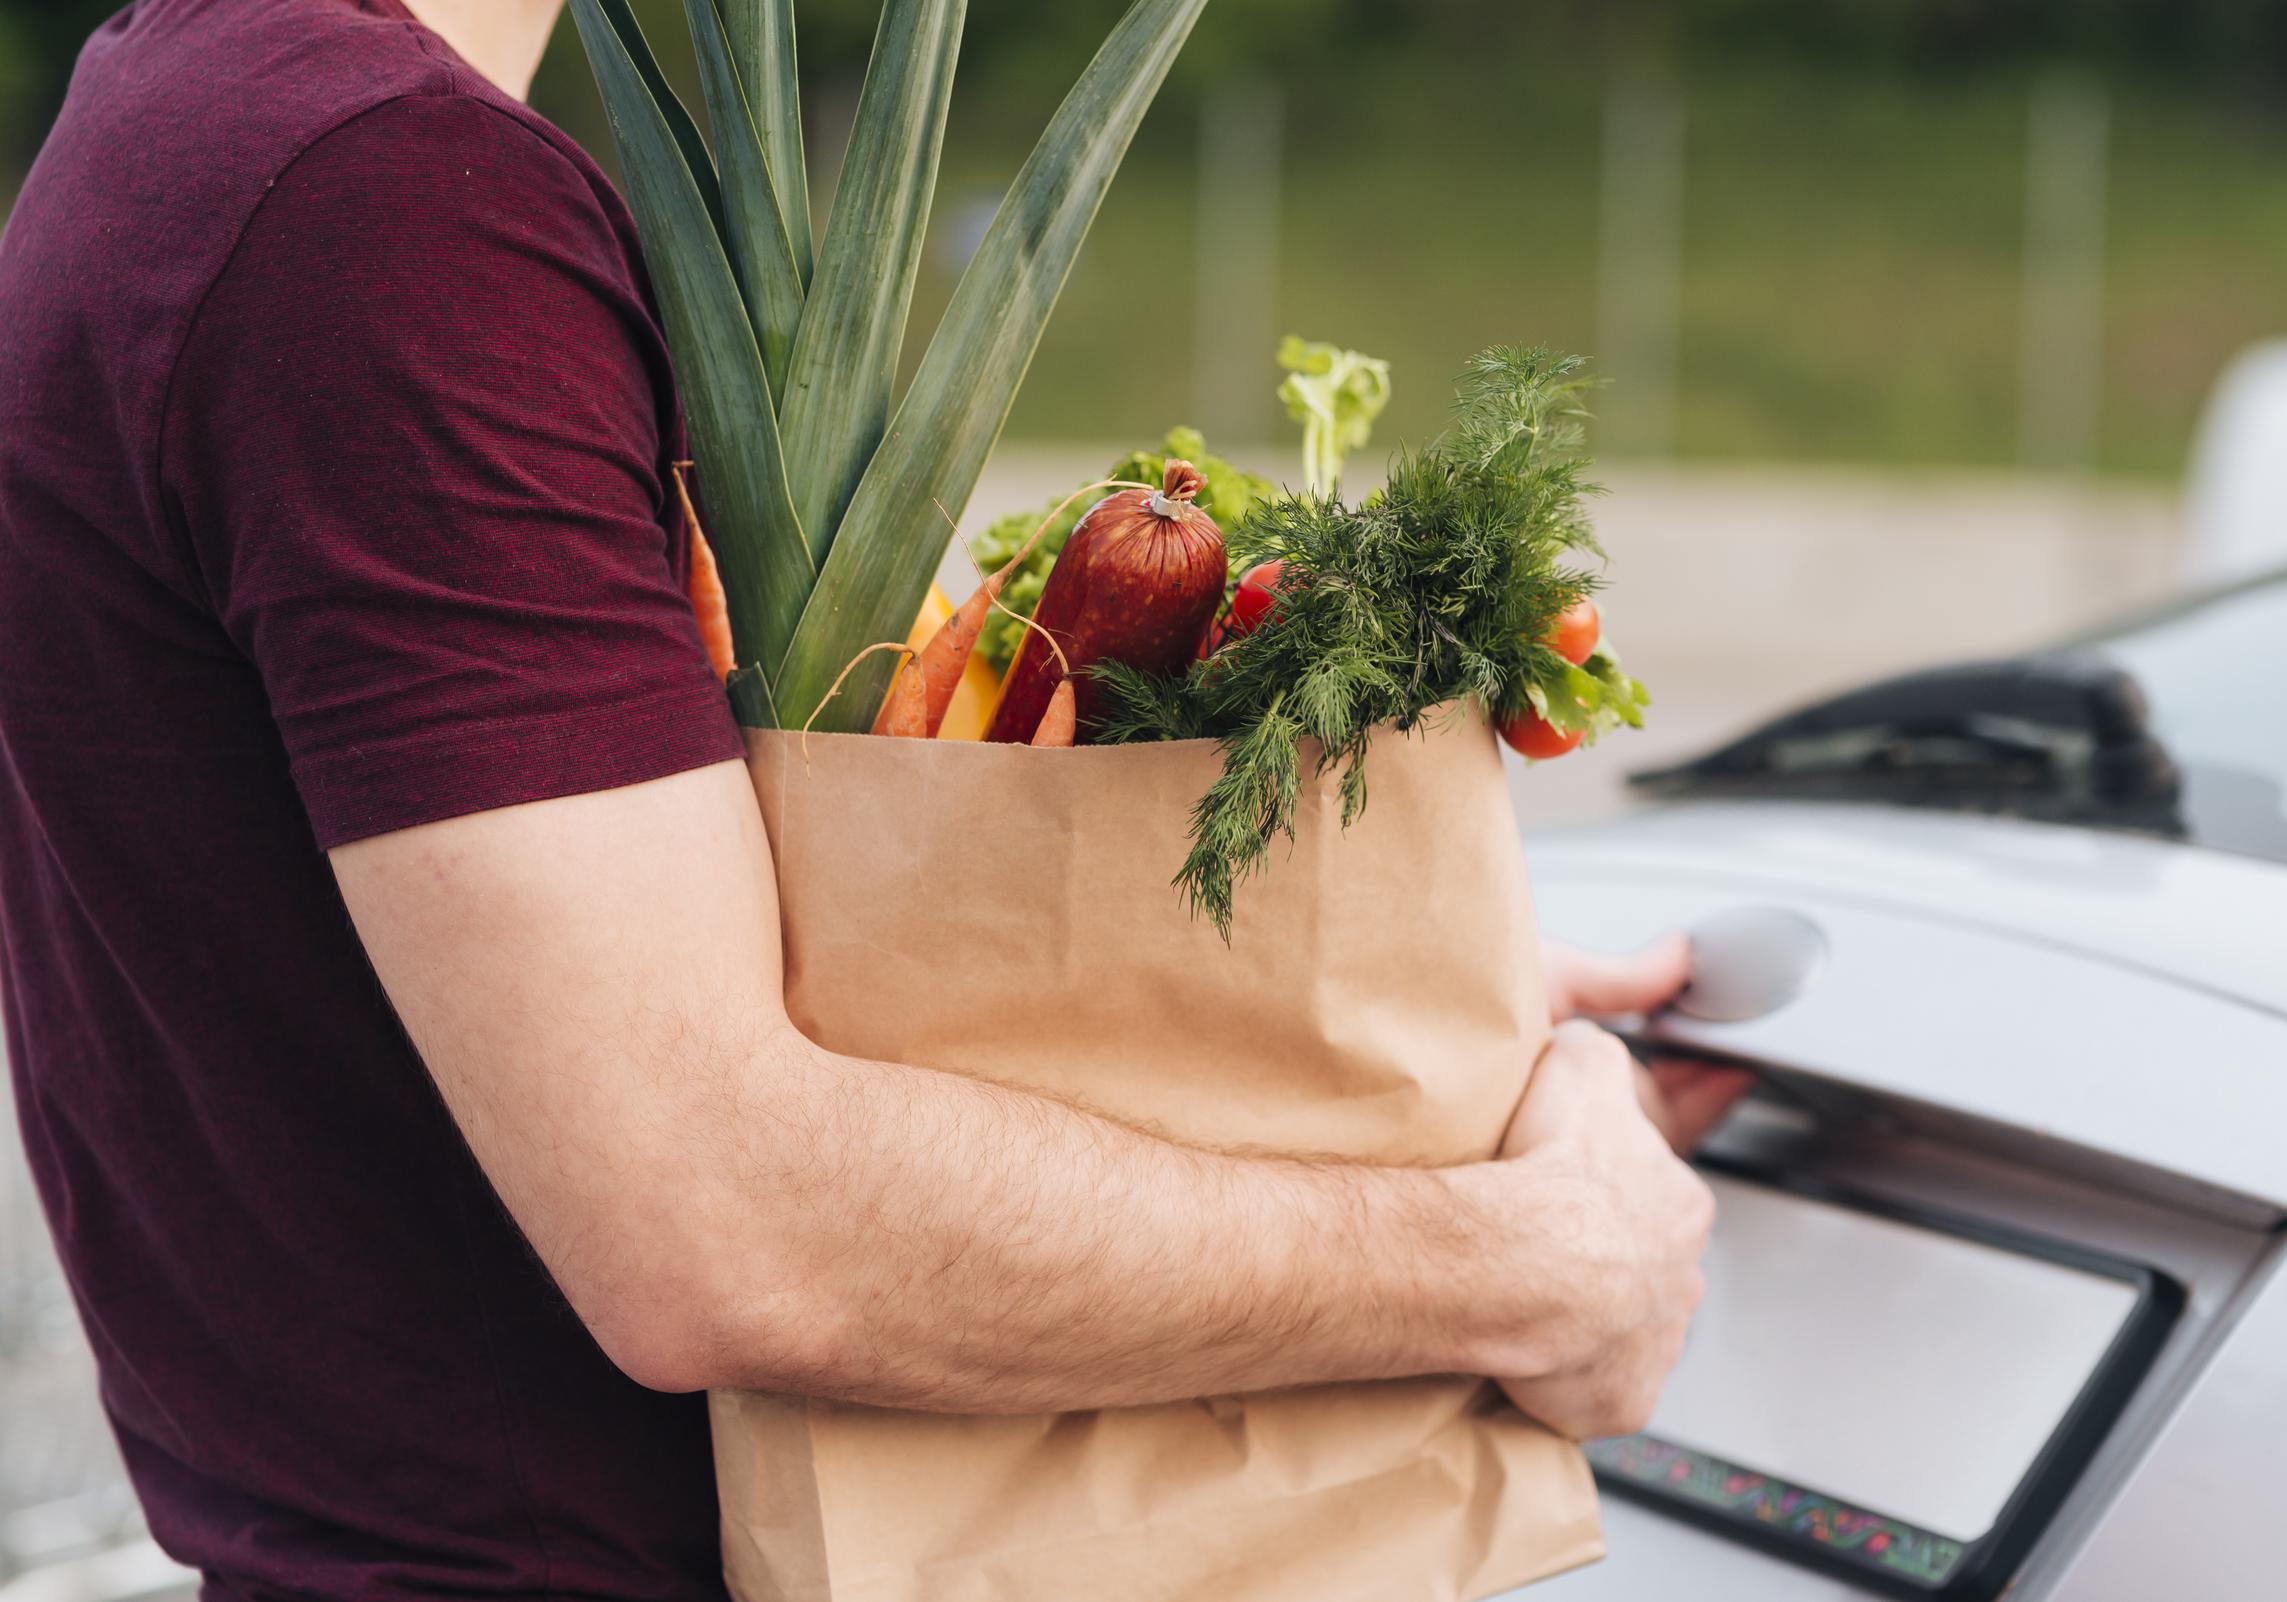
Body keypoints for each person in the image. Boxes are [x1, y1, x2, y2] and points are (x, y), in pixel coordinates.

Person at [0, 3, 1747, 1600]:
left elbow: (529, 966)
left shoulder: (166, 125)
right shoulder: (381, 216)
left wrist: (1364, 1030)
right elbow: (719, 1221)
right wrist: (1521, 1263)